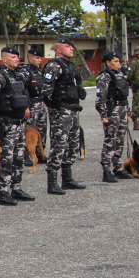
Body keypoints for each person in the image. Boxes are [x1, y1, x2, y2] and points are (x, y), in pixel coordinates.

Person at [0, 46, 36, 205]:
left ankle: (17, 188)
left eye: (17, 57)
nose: (17, 59)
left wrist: (25, 108)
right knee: (6, 159)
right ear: (4, 59)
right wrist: (0, 118)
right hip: (7, 125)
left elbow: (24, 96)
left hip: (20, 124)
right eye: (13, 57)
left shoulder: (19, 76)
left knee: (19, 158)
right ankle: (3, 192)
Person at [41, 38, 87, 194]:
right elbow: (46, 90)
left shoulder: (70, 65)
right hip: (61, 110)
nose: (72, 48)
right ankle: (52, 182)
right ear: (59, 50)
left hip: (73, 109)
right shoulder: (54, 66)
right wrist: (54, 106)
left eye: (72, 46)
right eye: (68, 46)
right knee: (59, 144)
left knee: (72, 144)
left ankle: (67, 179)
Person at [95, 52, 134, 182]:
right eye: (115, 61)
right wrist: (103, 115)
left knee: (120, 140)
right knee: (110, 140)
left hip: (122, 108)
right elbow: (100, 97)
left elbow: (124, 95)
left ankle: (118, 168)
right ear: (108, 62)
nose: (119, 64)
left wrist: (128, 112)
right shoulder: (104, 76)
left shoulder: (120, 74)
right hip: (112, 110)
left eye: (119, 61)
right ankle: (106, 171)